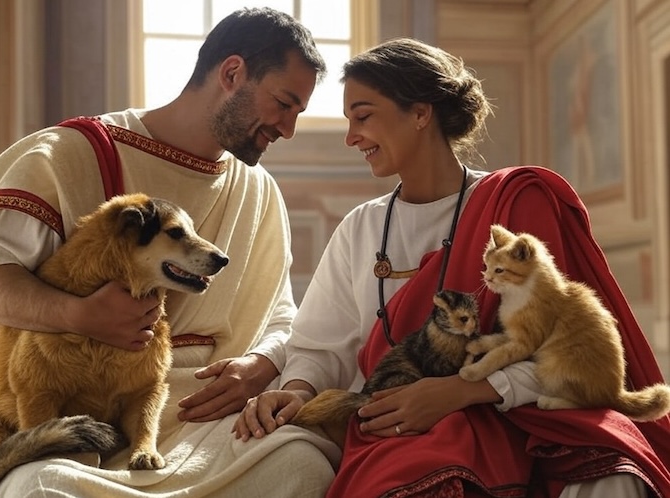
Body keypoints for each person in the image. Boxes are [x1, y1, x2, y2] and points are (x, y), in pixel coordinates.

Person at [235, 38, 670, 497]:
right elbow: (321, 345)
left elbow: (567, 346)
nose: (351, 138)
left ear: (421, 113)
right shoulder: (360, 228)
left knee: (614, 477)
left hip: (523, 409)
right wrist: (299, 390)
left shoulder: (517, 202)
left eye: (363, 116)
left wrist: (463, 391)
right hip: (402, 419)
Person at [0, 7, 342, 497]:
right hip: (81, 423)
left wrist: (263, 364)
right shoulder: (72, 153)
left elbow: (278, 312)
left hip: (208, 421)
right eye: (283, 104)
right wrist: (78, 315)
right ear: (232, 73)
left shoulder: (258, 189)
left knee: (302, 464)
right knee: (37, 487)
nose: (288, 128)